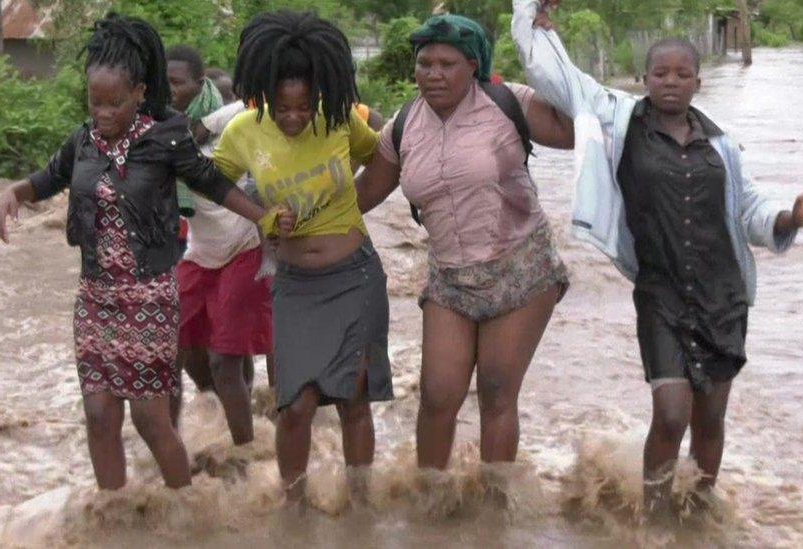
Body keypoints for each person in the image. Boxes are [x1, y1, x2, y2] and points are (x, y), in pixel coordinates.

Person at [513, 0, 803, 524]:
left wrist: (792, 218)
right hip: (660, 295)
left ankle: (700, 517)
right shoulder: (618, 119)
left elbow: (751, 211)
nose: (670, 81)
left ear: (698, 83)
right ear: (644, 79)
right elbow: (555, 75)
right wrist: (530, 12)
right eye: (660, 72)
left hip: (723, 296)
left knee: (710, 421)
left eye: (683, 73)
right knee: (670, 414)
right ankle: (656, 525)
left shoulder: (722, 146)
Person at [0, 14, 275, 490]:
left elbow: (209, 181)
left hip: (148, 296)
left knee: (149, 418)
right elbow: (50, 177)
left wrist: (262, 216)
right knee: (99, 415)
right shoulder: (83, 140)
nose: (102, 112)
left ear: (140, 93)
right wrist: (15, 193)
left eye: (114, 103)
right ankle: (114, 517)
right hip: (96, 297)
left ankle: (183, 508)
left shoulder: (164, 137)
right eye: (94, 101)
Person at [355, 13, 575, 493]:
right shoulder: (405, 124)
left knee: (496, 392)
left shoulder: (508, 102)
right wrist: (296, 217)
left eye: (446, 64)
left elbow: (577, 128)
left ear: (473, 66)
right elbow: (365, 193)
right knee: (437, 396)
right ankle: (429, 503)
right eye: (424, 63)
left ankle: (494, 508)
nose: (433, 74)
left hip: (522, 267)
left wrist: (545, 39)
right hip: (450, 277)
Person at [211, 10, 392, 501]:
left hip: (355, 276)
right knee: (294, 405)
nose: (293, 118)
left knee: (354, 398)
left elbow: (382, 158)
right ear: (262, 94)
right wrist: (260, 214)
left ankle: (360, 507)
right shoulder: (243, 130)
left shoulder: (339, 121)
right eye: (281, 107)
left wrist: (353, 203)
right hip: (294, 284)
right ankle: (294, 510)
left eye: (304, 106)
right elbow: (210, 178)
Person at [165, 45, 274, 445]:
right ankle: (168, 449)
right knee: (167, 351)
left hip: (245, 246)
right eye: (163, 83)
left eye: (177, 83)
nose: (168, 90)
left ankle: (246, 453)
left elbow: (256, 109)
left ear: (200, 84)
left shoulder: (229, 117)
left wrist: (198, 128)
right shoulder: (159, 130)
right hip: (199, 252)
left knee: (225, 360)